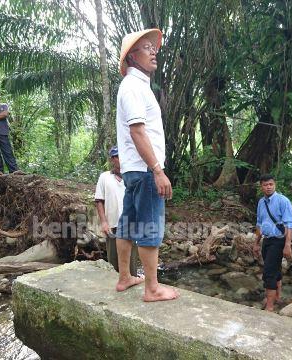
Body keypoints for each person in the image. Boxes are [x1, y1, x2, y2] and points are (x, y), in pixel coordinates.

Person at [114, 28, 179, 302]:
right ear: (131, 56)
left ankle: (124, 277)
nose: (154, 52)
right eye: (146, 47)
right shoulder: (132, 87)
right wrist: (158, 170)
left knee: (127, 225)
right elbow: (138, 132)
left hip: (134, 170)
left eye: (154, 47)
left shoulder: (136, 86)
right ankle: (152, 289)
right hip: (144, 170)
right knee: (150, 227)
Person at [253, 174, 292, 312]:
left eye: (271, 184)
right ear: (261, 187)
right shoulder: (261, 202)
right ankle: (277, 296)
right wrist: (256, 243)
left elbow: (290, 224)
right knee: (275, 268)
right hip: (267, 239)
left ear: (274, 185)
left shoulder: (283, 201)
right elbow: (259, 223)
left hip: (279, 240)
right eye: (265, 185)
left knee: (269, 272)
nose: (268, 187)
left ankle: (269, 307)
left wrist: (287, 245)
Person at [95, 145, 138, 277]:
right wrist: (103, 222)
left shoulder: (132, 177)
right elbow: (99, 200)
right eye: (117, 157)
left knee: (131, 263)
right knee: (113, 262)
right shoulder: (104, 177)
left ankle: (131, 287)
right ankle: (116, 288)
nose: (121, 160)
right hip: (112, 226)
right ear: (112, 159)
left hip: (131, 225)